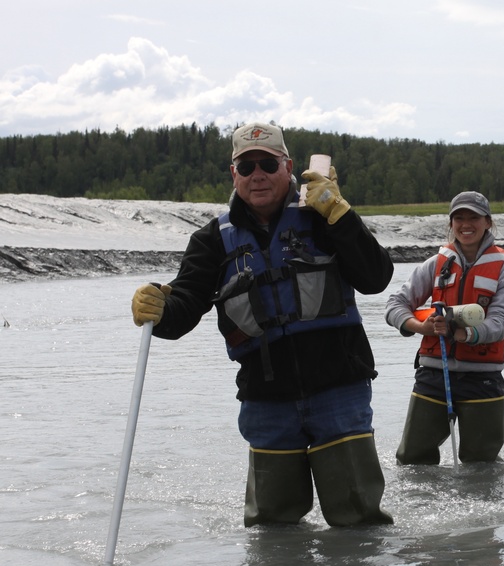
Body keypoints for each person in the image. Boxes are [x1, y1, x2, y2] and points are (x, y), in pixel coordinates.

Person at [130, 121, 393, 527]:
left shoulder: (325, 215)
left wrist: (343, 217)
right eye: (246, 166)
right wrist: (160, 310)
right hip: (266, 401)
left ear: (288, 167)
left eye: (267, 164)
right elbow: (185, 305)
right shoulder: (212, 240)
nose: (258, 175)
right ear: (233, 174)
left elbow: (376, 278)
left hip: (339, 391)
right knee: (273, 530)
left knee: (358, 520)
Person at [385, 191, 504, 464]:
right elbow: (394, 305)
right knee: (411, 459)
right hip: (433, 375)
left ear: (487, 222)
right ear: (451, 223)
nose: (465, 224)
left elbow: (501, 322)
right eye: (459, 218)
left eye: (474, 217)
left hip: (483, 381)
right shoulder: (435, 264)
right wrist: (421, 328)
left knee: (482, 466)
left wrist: (464, 334)